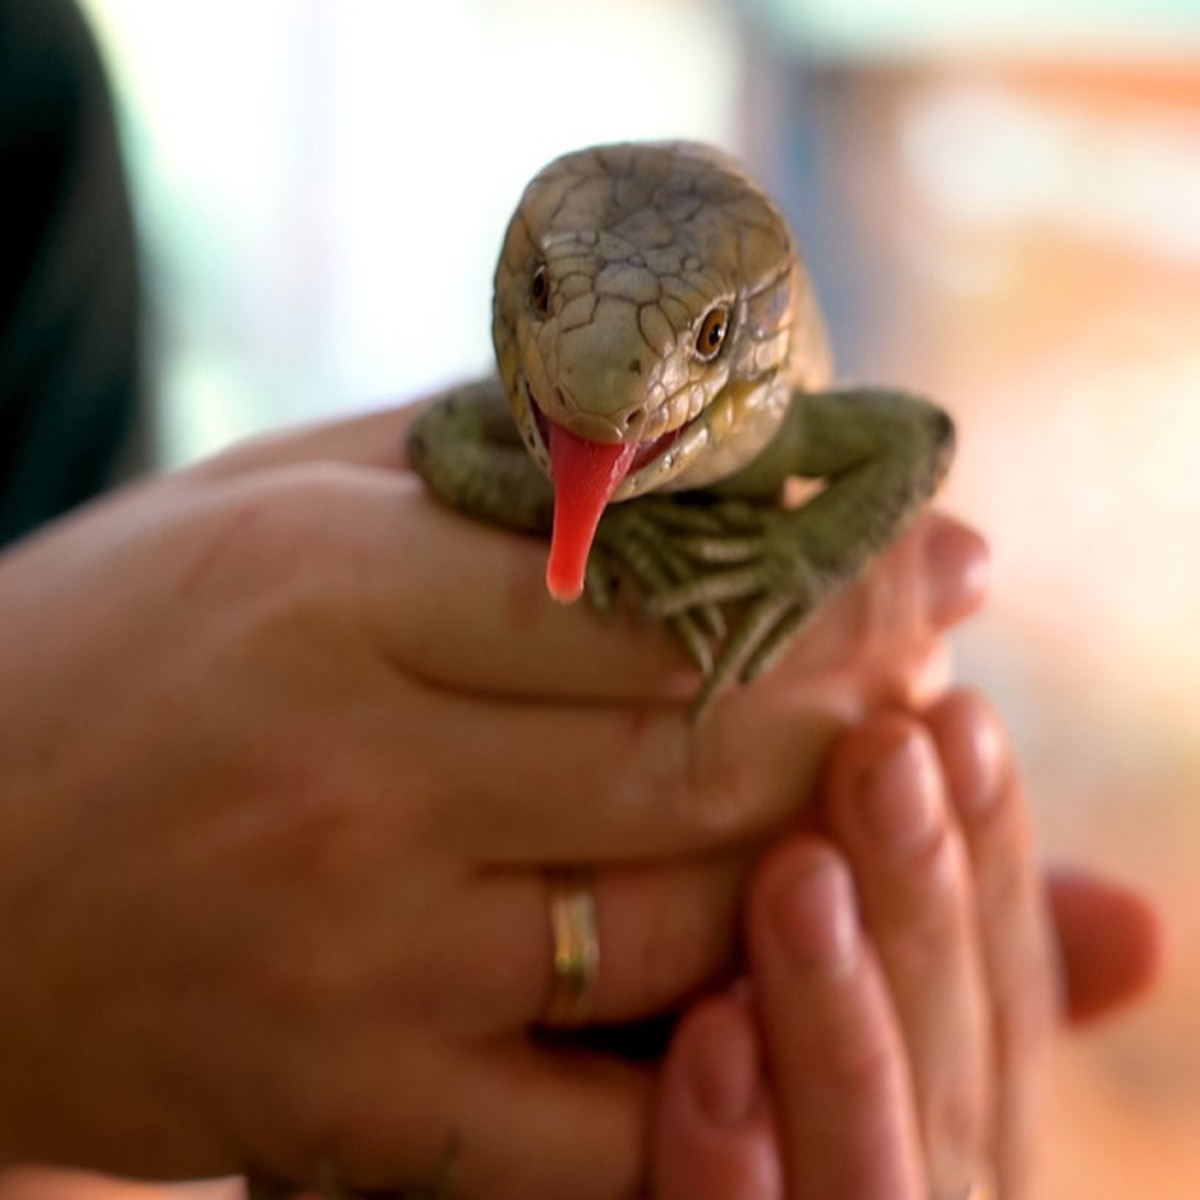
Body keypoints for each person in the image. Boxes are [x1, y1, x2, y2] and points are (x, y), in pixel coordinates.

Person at [0, 2, 1161, 1197]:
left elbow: (912, 440)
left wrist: (795, 567)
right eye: (547, 295)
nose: (605, 390)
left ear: (758, 337)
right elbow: (452, 438)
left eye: (709, 340)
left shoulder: (33, 116)